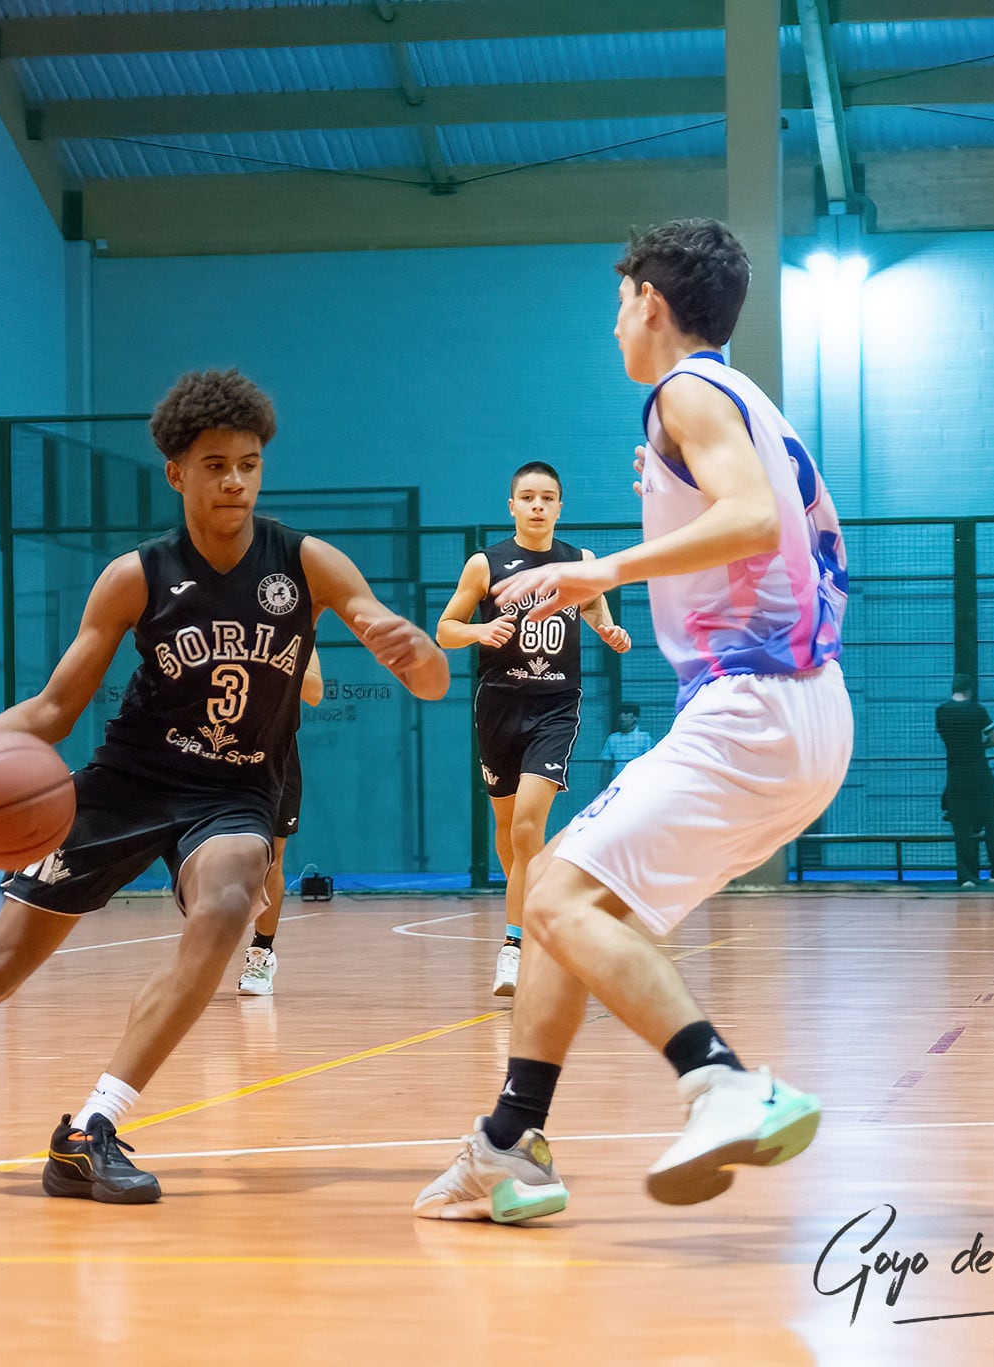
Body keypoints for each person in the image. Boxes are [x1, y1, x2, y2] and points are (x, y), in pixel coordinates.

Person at [0, 369, 449, 1204]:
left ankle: (91, 1128)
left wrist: (419, 655)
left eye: (249, 464)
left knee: (230, 900)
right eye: (215, 464)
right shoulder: (136, 576)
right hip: (130, 781)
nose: (234, 480)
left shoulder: (306, 563)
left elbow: (433, 683)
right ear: (177, 473)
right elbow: (53, 708)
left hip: (236, 792)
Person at [414, 218, 852, 1222]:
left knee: (556, 897)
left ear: (649, 302)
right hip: (803, 710)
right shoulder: (744, 398)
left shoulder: (685, 391)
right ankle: (505, 1144)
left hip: (753, 704)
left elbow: (747, 519)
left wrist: (595, 568)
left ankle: (722, 1082)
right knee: (578, 906)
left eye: (618, 303)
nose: (613, 323)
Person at [436, 461, 631, 996]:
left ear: (560, 506)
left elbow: (596, 610)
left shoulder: (579, 561)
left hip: (554, 706)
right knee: (510, 835)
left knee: (527, 828)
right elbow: (445, 629)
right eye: (529, 497)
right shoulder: (486, 563)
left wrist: (610, 632)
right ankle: (525, 903)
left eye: (548, 497)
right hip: (499, 705)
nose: (538, 505)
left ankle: (515, 946)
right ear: (513, 506)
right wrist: (480, 629)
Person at [238, 648, 322, 996]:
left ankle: (261, 952)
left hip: (276, 757)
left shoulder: (297, 633)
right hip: (219, 750)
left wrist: (276, 651)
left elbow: (314, 692)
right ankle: (204, 946)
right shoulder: (215, 627)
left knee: (270, 857)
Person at [935, 675, 994, 890]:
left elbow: (946, 737)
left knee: (961, 828)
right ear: (970, 689)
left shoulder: (942, 711)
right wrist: (980, 747)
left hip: (956, 777)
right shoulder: (977, 711)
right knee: (992, 824)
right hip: (979, 774)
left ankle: (966, 876)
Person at [598, 703, 652, 788]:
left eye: (627, 713)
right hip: (617, 783)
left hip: (640, 783)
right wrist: (604, 787)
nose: (622, 716)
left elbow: (650, 763)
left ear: (635, 718)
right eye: (620, 713)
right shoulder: (612, 738)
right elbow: (606, 765)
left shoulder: (645, 738)